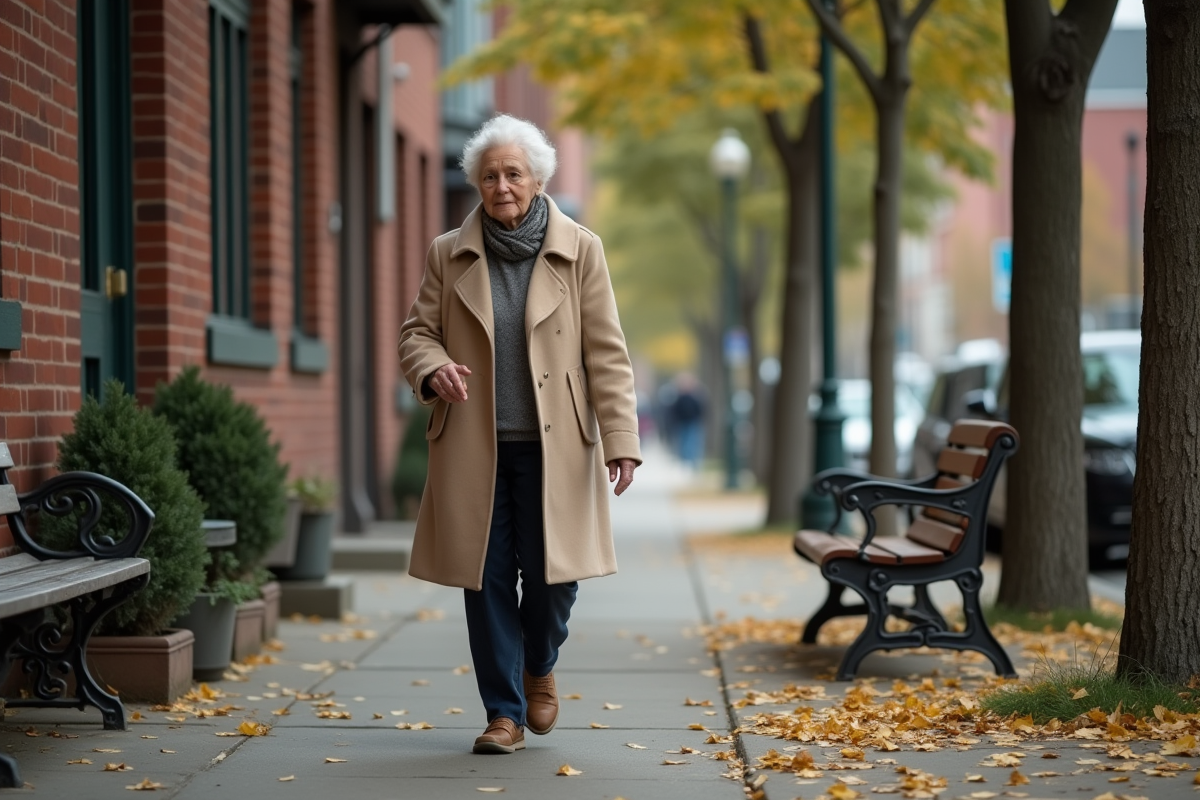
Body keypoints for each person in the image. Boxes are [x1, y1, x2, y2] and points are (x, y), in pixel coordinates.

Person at [398, 114, 642, 755]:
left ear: (538, 179)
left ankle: (539, 662)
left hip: (556, 446)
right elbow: (417, 334)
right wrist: (432, 367)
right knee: (485, 581)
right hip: (473, 447)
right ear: (476, 183)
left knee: (555, 581)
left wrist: (621, 439)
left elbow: (607, 352)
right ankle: (502, 714)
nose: (501, 185)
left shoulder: (581, 249)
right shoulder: (448, 253)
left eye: (513, 173)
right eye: (489, 175)